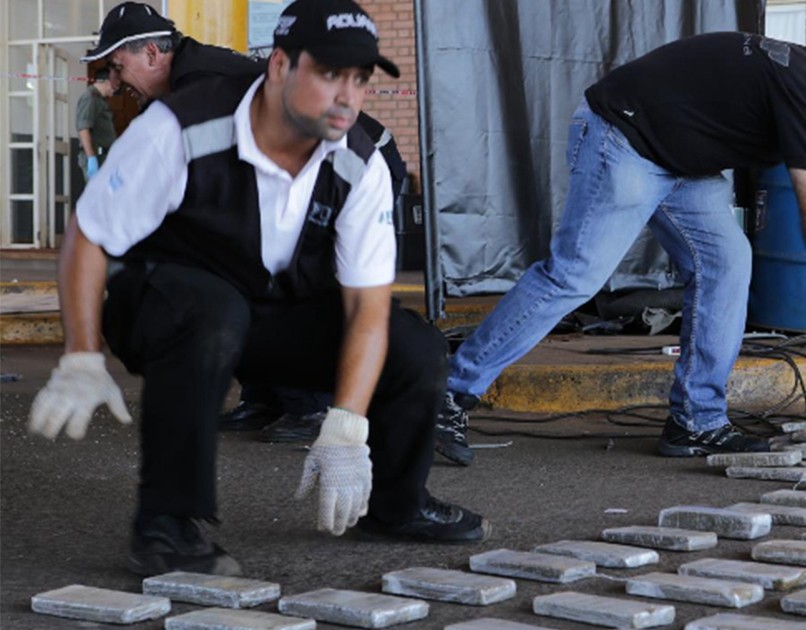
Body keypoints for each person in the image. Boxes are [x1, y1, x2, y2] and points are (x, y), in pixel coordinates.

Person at [29, 0, 488, 577]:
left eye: (359, 79)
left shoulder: (359, 163)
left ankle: (396, 506)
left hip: (270, 310)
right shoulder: (182, 127)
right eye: (328, 74)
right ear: (278, 66)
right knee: (214, 312)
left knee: (415, 347)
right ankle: (166, 524)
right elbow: (88, 235)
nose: (347, 97)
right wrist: (80, 356)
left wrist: (346, 426)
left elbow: (367, 306)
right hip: (165, 306)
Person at [433, 34, 806, 466]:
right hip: (625, 137)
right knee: (576, 275)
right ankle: (447, 396)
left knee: (728, 263)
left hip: (684, 162)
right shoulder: (803, 92)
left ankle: (697, 421)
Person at [82, 2, 409, 443]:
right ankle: (265, 398)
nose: (118, 83)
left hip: (354, 156)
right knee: (242, 260)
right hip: (317, 151)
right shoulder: (183, 89)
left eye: (119, 68)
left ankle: (312, 406)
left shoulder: (201, 84)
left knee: (291, 273)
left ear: (152, 56)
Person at [75, 68, 117, 181]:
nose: (117, 87)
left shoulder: (100, 99)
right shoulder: (90, 98)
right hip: (96, 156)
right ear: (106, 81)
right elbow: (84, 128)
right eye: (115, 82)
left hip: (103, 156)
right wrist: (91, 158)